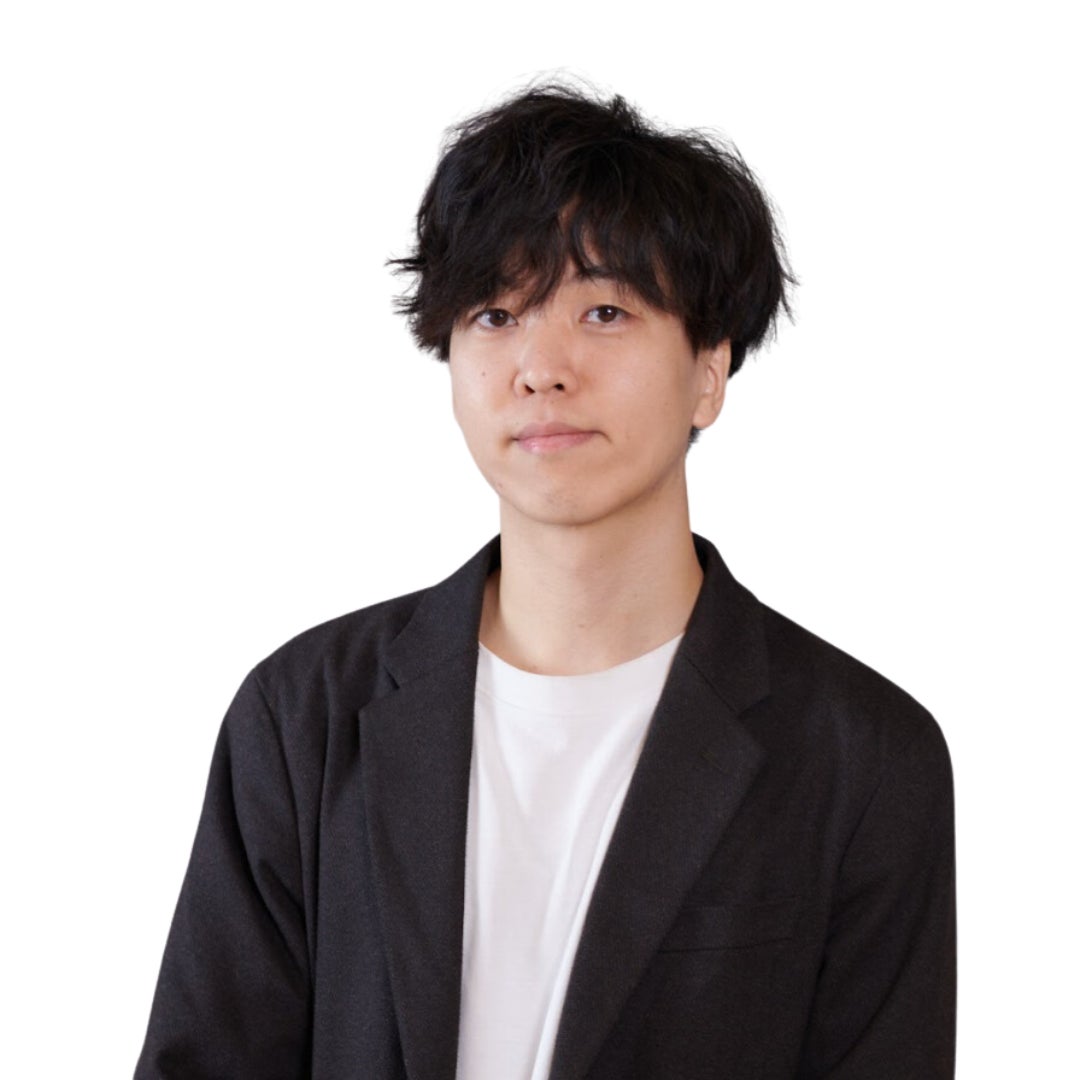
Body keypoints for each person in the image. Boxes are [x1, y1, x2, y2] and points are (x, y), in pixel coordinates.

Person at [135, 84, 956, 1079]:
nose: (540, 367)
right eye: (494, 314)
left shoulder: (864, 757)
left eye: (604, 311)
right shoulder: (304, 716)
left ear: (709, 368)